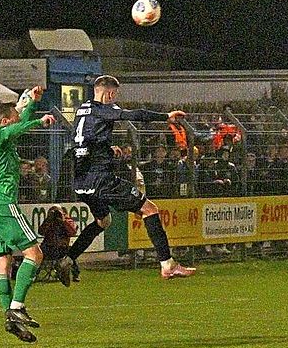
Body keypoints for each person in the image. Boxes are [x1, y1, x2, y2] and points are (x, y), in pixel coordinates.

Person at [60, 75, 195, 281]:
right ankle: (167, 264)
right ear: (109, 93)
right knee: (149, 209)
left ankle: (68, 259)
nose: (114, 99)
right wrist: (165, 116)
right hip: (101, 179)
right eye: (114, 95)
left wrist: (107, 149)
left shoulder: (82, 110)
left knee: (103, 221)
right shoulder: (105, 108)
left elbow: (86, 141)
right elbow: (135, 114)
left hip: (81, 181)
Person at [0, 92, 57, 343]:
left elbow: (18, 124)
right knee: (34, 254)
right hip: (3, 205)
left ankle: (9, 317)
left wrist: (32, 103)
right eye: (15, 117)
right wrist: (39, 121)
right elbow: (18, 128)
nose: (19, 119)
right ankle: (16, 307)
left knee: (3, 263)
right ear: (5, 122)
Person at [37, 205, 78, 286]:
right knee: (36, 252)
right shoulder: (49, 221)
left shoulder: (67, 220)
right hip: (48, 247)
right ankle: (34, 274)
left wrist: (63, 220)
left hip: (62, 248)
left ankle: (75, 274)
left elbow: (73, 232)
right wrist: (48, 220)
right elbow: (41, 232)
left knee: (72, 253)